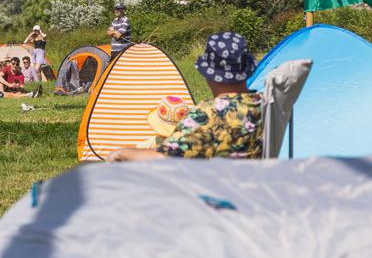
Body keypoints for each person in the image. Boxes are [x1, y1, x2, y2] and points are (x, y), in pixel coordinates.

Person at [107, 32, 263, 162]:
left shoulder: (207, 115)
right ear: (247, 69)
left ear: (208, 75)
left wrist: (122, 153)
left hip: (216, 192)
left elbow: (165, 158)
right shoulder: (265, 103)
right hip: (255, 189)